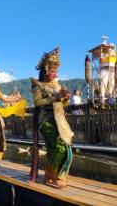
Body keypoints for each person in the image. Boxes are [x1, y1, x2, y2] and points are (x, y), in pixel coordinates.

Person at [32, 48, 73, 189]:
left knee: (58, 147)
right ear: (45, 70)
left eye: (56, 70)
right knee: (59, 147)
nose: (55, 73)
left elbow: (61, 103)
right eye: (52, 70)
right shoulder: (38, 85)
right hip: (46, 120)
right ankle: (56, 176)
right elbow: (38, 102)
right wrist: (55, 97)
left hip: (59, 120)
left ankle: (49, 174)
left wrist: (66, 99)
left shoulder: (57, 84)